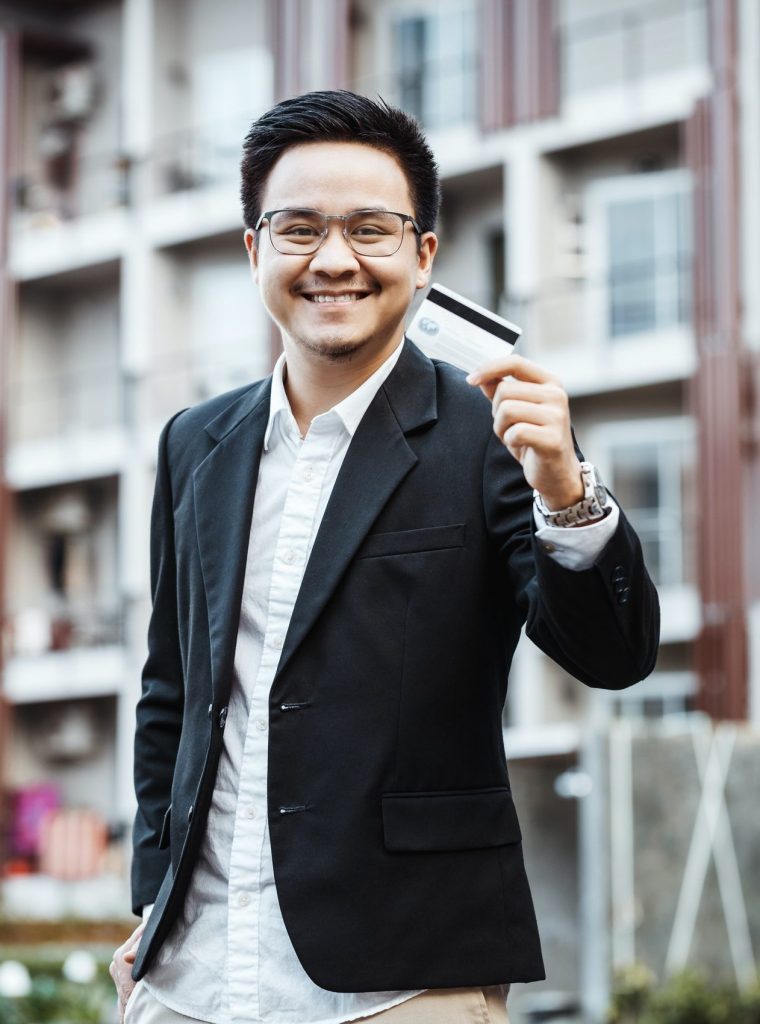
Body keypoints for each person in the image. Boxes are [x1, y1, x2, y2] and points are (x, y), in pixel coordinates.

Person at [110, 90, 659, 1024]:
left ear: (422, 254)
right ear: (254, 250)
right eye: (298, 229)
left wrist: (568, 494)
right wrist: (154, 900)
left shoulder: (492, 435)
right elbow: (174, 690)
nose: (334, 260)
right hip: (193, 975)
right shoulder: (193, 443)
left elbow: (614, 657)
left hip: (404, 981)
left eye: (371, 228)